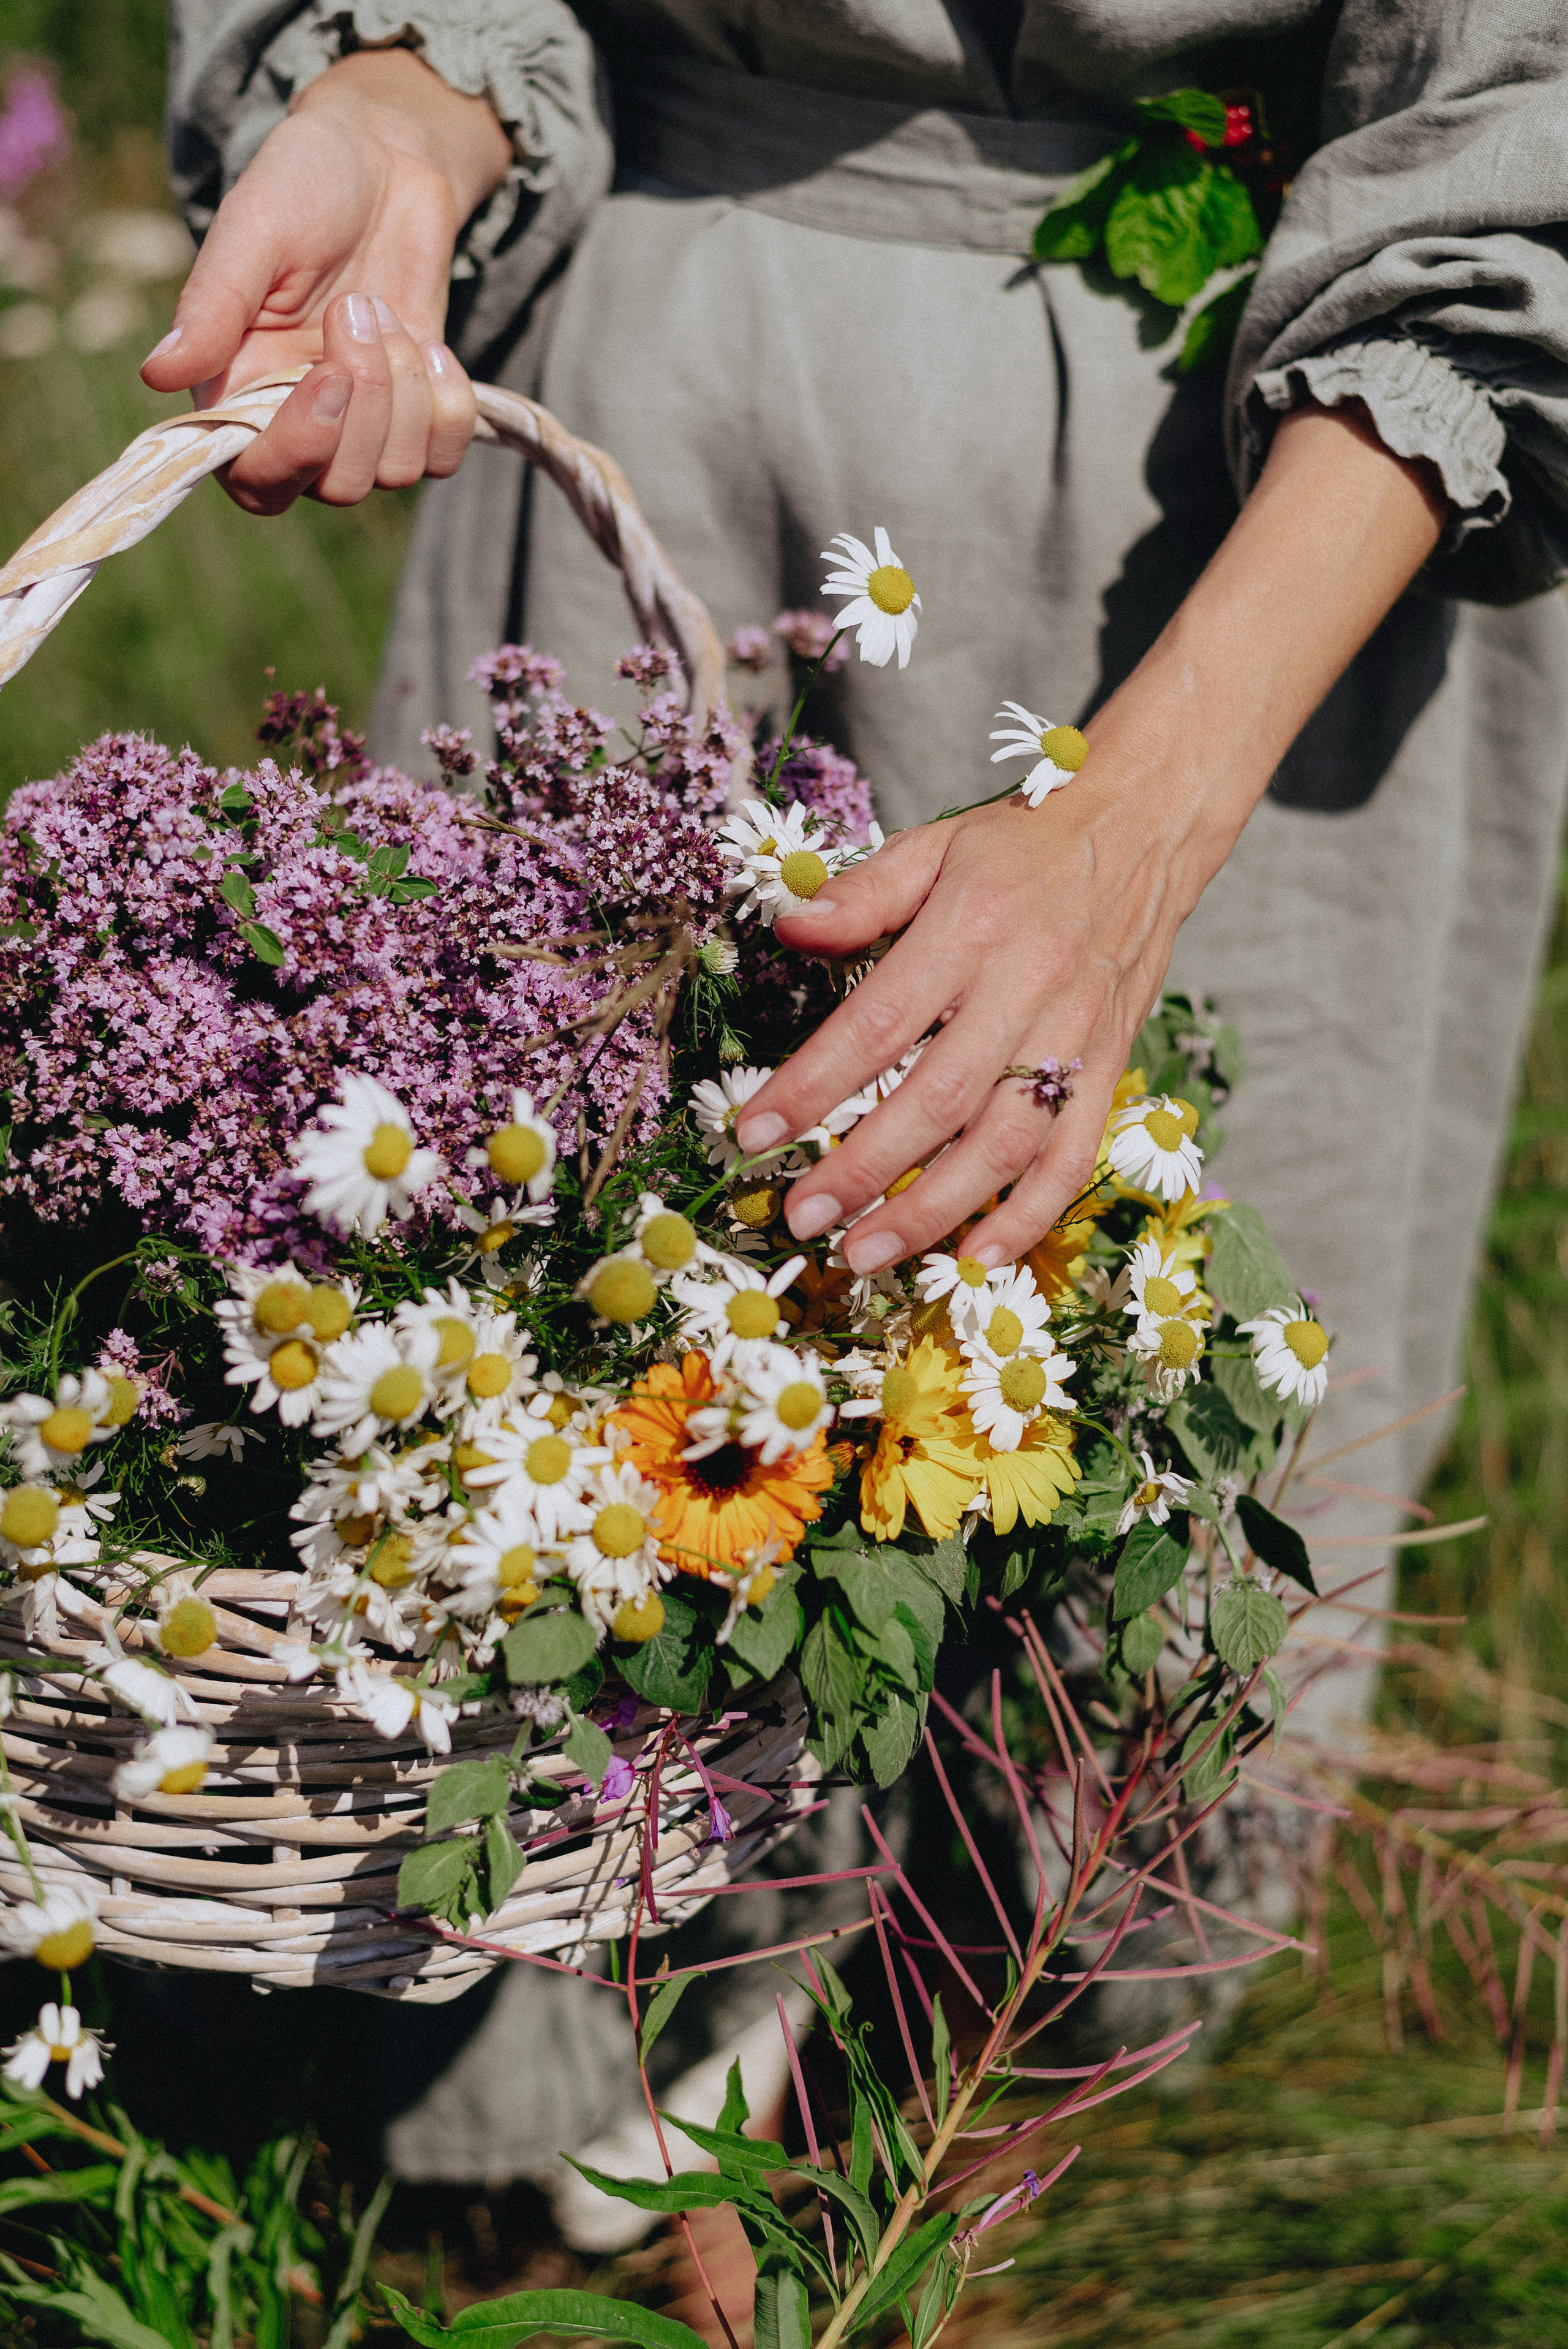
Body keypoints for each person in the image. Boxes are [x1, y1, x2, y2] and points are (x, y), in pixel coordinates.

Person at [155, 0, 1568, 2237]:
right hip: (667, 424)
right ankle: (589, 2195)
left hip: (1260, 535)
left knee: (1114, 1568)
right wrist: (403, 107)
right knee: (559, 1480)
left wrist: (1117, 845)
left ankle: (917, 2194)